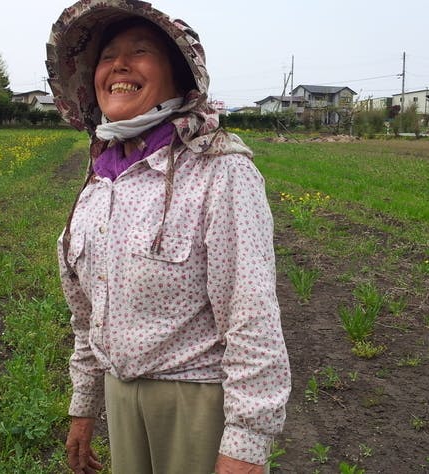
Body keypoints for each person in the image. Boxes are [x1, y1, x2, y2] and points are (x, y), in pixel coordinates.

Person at [46, 1, 290, 473]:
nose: (119, 65)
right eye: (107, 56)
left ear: (180, 77)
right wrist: (85, 404)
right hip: (120, 398)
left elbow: (252, 315)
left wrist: (246, 444)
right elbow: (87, 316)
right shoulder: (99, 182)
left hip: (195, 403)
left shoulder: (220, 171)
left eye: (140, 51)